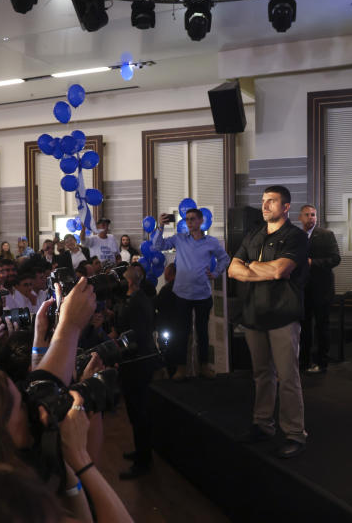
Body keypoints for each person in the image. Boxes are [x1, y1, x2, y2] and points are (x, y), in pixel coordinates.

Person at [228, 186, 309, 459]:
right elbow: (232, 269)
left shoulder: (295, 237)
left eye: (271, 202)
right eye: (263, 202)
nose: (265, 206)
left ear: (286, 206)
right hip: (254, 315)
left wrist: (250, 268)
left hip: (282, 316)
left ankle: (295, 434)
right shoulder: (254, 234)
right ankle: (263, 425)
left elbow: (280, 271)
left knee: (287, 378)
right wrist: (259, 270)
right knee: (262, 375)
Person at [152, 208, 230, 380]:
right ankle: (181, 368)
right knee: (181, 332)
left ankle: (204, 366)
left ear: (201, 221)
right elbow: (157, 246)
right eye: (187, 219)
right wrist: (160, 227)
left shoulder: (211, 241)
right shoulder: (179, 239)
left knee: (203, 332)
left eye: (193, 219)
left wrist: (216, 273)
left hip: (202, 294)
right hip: (182, 294)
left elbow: (225, 258)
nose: (189, 222)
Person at [114, 264, 158, 479]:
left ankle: (143, 460)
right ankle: (141, 452)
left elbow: (136, 334)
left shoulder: (138, 303)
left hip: (137, 362)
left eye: (122, 278)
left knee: (139, 411)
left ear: (130, 281)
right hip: (134, 361)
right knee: (134, 410)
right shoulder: (136, 300)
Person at [297, 205, 340, 375]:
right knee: (304, 327)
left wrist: (312, 263)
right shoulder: (296, 236)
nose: (311, 218)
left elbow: (336, 259)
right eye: (307, 215)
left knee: (322, 327)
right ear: (300, 217)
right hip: (302, 290)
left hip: (322, 290)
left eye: (313, 215)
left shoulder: (326, 235)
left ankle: (322, 363)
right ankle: (303, 362)